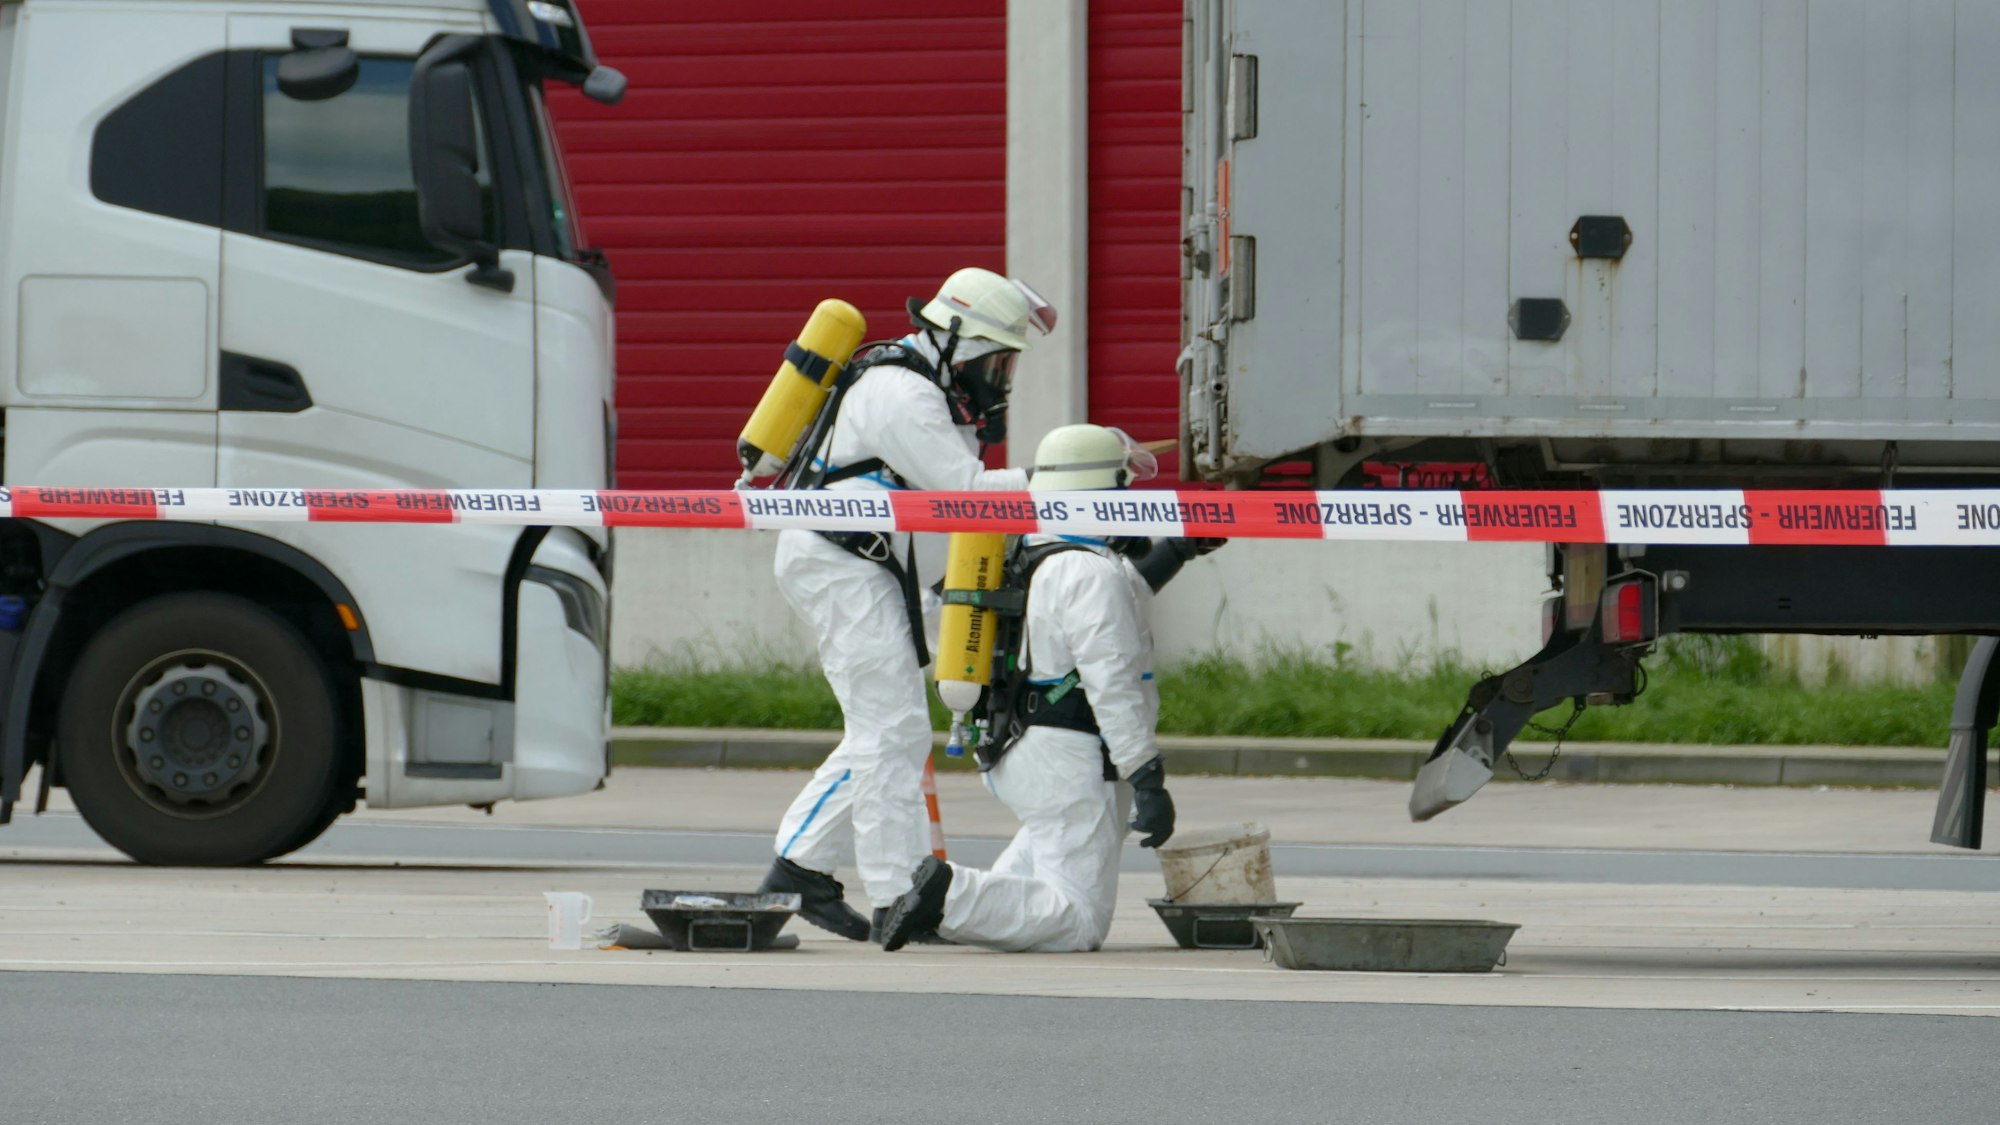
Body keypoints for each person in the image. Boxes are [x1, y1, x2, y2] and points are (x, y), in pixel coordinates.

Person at [757, 268, 1058, 941]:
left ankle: (799, 866)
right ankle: (898, 890)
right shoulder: (901, 393)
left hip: (866, 564)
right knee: (892, 730)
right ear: (956, 341)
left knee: (882, 730)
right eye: (998, 360)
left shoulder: (930, 393)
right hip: (842, 565)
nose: (1002, 377)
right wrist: (1069, 479)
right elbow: (968, 491)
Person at [878, 423, 1198, 953]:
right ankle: (951, 898)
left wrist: (1178, 551)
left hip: (1021, 741)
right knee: (1078, 920)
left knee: (1052, 848)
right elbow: (1112, 680)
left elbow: (1114, 597)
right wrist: (1146, 775)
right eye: (1123, 488)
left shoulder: (1031, 552)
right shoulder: (1088, 573)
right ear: (1099, 492)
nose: (1130, 500)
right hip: (1065, 754)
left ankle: (965, 909)